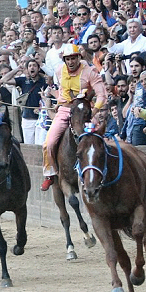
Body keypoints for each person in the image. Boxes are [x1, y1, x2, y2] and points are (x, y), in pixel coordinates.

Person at [40, 44, 107, 191]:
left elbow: (102, 94)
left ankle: (104, 172)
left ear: (79, 57)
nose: (71, 62)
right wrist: (58, 100)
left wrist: (94, 111)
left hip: (85, 112)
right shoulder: (59, 71)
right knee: (48, 143)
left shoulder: (90, 72)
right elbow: (63, 90)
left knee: (102, 139)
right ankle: (51, 174)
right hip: (66, 110)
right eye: (68, 59)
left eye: (73, 58)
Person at [0, 59, 47, 144]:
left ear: (38, 68)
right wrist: (17, 69)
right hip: (27, 118)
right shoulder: (23, 80)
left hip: (40, 119)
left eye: (34, 65)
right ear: (27, 69)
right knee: (29, 145)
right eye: (29, 66)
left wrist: (40, 109)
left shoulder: (44, 81)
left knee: (40, 145)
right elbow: (4, 80)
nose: (32, 67)